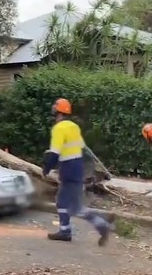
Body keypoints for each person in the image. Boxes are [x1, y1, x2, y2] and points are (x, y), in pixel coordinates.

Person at [42, 98, 112, 246]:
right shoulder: (74, 127)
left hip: (68, 168)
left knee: (72, 205)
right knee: (66, 202)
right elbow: (82, 148)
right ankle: (65, 230)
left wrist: (47, 168)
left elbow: (55, 152)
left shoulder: (58, 128)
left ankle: (101, 224)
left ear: (56, 112)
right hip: (78, 167)